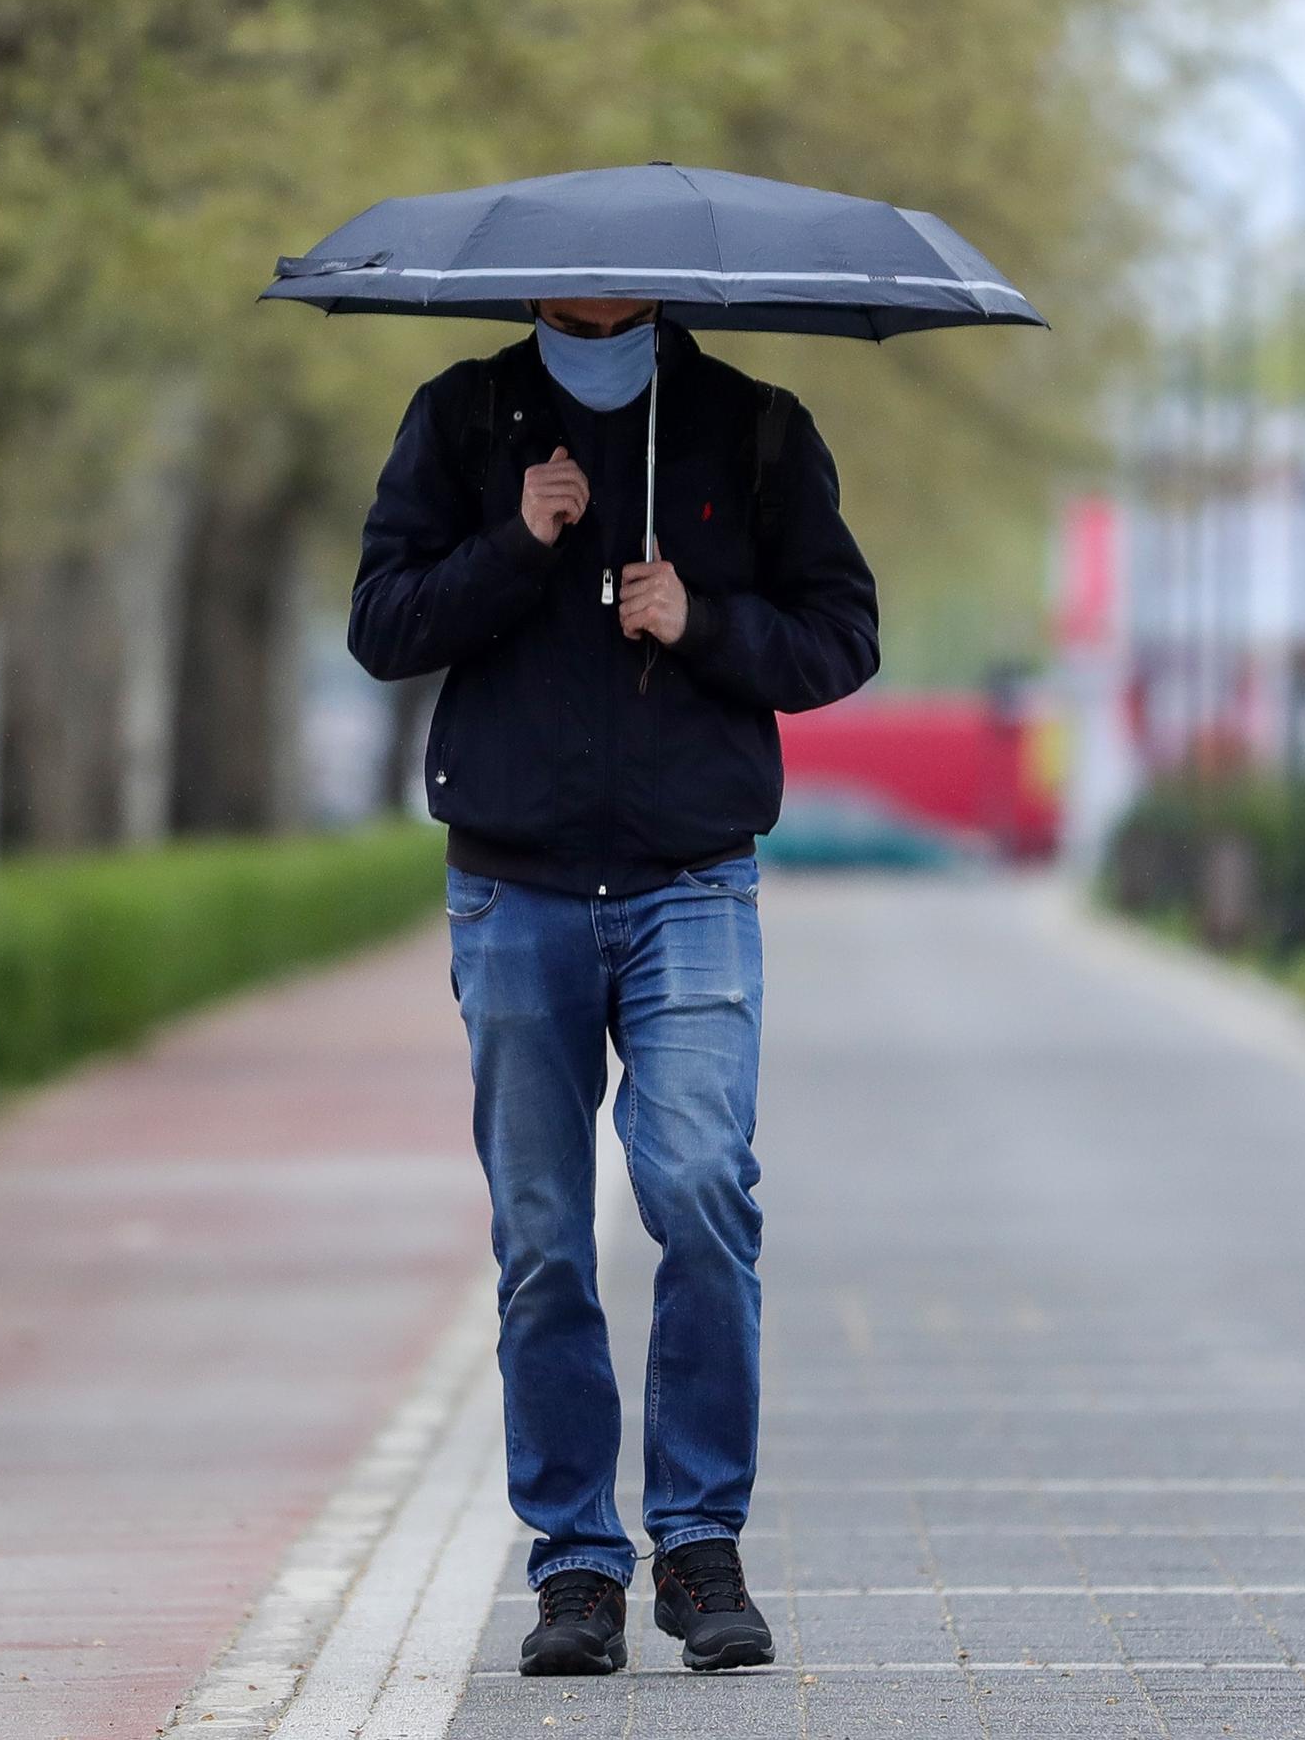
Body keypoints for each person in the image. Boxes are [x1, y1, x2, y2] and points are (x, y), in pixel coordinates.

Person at [347, 294, 880, 1675]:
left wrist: (700, 617)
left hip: (690, 882)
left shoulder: (752, 428)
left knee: (700, 1188)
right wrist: (514, 542)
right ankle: (576, 1564)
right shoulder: (464, 419)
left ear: (657, 285)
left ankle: (700, 1547)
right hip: (513, 888)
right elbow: (384, 627)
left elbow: (842, 636)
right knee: (542, 1234)